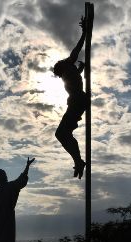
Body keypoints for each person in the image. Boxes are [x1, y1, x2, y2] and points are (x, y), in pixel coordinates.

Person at [53, 16, 88, 179]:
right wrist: (80, 70)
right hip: (76, 101)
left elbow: (78, 47)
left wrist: (84, 32)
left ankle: (78, 161)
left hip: (77, 101)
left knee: (61, 133)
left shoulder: (68, 64)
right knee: (63, 133)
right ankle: (78, 160)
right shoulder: (69, 72)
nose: (60, 77)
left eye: (59, 73)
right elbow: (74, 80)